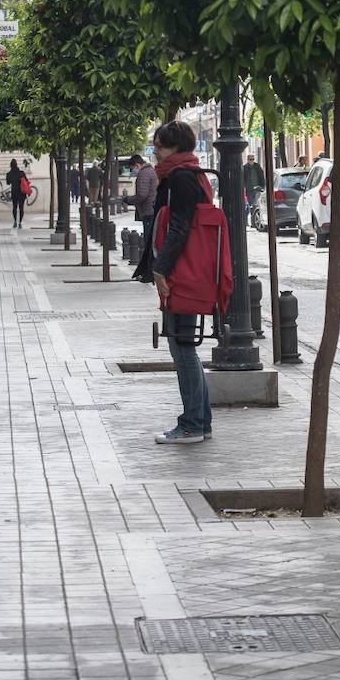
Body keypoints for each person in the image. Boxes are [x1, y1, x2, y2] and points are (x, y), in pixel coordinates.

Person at [136, 121, 213, 444]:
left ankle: (193, 424)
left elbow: (179, 227)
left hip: (181, 274)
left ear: (176, 148)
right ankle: (200, 421)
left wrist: (161, 270)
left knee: (182, 349)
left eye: (160, 146)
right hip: (184, 271)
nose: (156, 152)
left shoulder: (180, 177)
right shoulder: (185, 175)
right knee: (183, 347)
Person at [121, 153, 158, 229]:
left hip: (148, 209)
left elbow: (142, 194)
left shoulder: (143, 173)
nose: (133, 171)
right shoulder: (151, 170)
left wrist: (128, 200)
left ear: (137, 165)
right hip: (152, 208)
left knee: (148, 235)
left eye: (132, 168)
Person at [6, 158, 28, 228]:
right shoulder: (21, 173)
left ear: (10, 165)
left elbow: (8, 183)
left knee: (14, 207)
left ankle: (15, 221)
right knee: (21, 208)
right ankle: (20, 223)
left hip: (14, 192)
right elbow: (26, 181)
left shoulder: (9, 174)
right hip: (22, 193)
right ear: (16, 165)